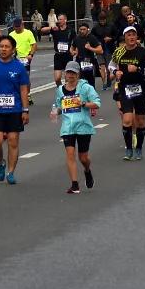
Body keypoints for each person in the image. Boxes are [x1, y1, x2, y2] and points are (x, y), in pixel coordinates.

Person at [0, 35, 30, 184]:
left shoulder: (19, 67)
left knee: (13, 141)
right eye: (1, 46)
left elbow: (23, 90)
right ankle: (1, 162)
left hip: (15, 110)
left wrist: (25, 110)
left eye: (7, 46)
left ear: (13, 49)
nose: (3, 49)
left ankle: (11, 172)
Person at [51, 61, 101, 194]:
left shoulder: (85, 88)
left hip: (83, 126)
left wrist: (84, 103)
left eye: (73, 73)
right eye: (68, 72)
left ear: (78, 74)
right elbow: (59, 106)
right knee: (70, 154)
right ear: (65, 74)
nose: (71, 75)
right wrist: (56, 112)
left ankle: (87, 171)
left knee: (83, 158)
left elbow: (97, 103)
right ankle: (74, 184)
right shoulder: (60, 90)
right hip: (67, 127)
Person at [110, 26, 145, 160]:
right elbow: (111, 65)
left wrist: (139, 69)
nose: (132, 37)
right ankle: (129, 149)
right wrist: (115, 72)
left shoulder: (143, 52)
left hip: (140, 88)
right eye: (129, 35)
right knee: (127, 120)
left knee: (140, 121)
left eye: (134, 35)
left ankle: (139, 148)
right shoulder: (119, 52)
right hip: (125, 88)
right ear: (125, 37)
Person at [39, 14, 76, 87]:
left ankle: (67, 92)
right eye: (58, 19)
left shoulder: (70, 30)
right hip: (58, 56)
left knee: (67, 78)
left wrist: (74, 51)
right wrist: (51, 27)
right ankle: (60, 89)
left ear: (65, 20)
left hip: (67, 55)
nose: (59, 21)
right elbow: (42, 30)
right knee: (57, 78)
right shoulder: (55, 29)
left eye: (60, 19)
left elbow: (75, 42)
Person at [9, 18, 38, 100]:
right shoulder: (11, 35)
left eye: (18, 26)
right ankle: (17, 95)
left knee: (25, 78)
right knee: (14, 77)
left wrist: (30, 55)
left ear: (22, 25)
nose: (17, 28)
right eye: (15, 27)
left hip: (25, 58)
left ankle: (27, 94)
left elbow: (34, 45)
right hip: (14, 58)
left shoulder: (28, 33)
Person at [70, 22, 104, 88]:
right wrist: (72, 52)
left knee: (90, 83)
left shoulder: (92, 38)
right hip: (79, 61)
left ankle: (91, 95)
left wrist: (90, 48)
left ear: (88, 30)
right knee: (79, 81)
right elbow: (72, 47)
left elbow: (100, 50)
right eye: (81, 29)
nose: (82, 31)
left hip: (89, 62)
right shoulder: (77, 38)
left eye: (84, 29)